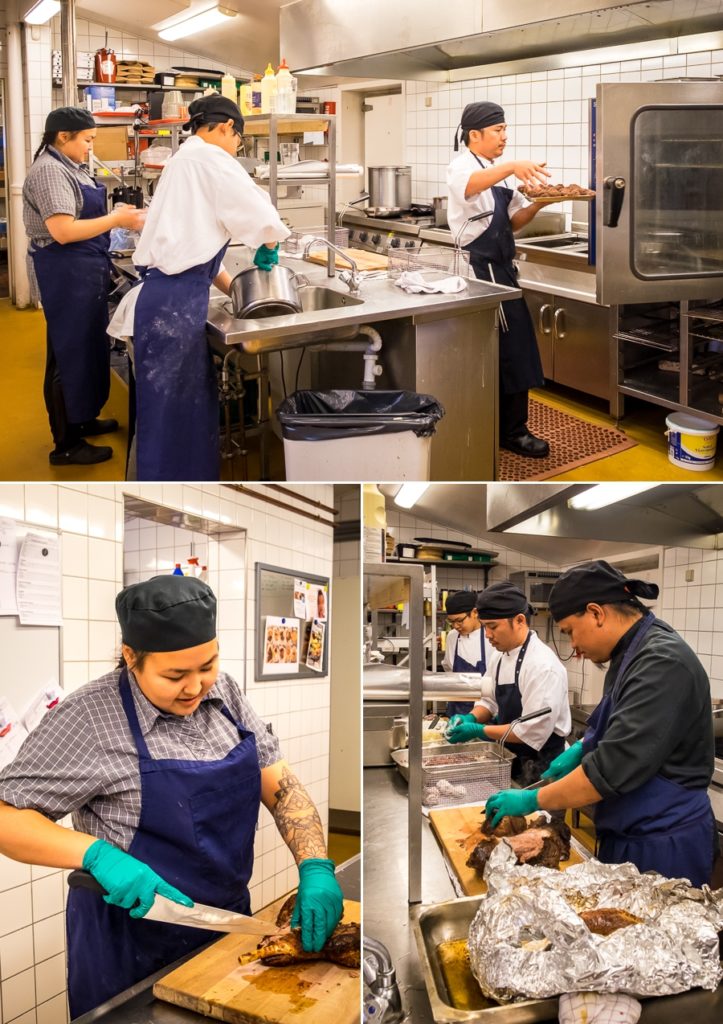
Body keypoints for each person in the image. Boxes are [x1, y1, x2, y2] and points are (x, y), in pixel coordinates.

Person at [0, 575, 343, 1016]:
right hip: (129, 946)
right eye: (175, 675)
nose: (197, 687)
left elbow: (281, 787)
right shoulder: (89, 718)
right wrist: (97, 855)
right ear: (131, 657)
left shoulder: (226, 693)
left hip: (224, 927)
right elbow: (7, 816)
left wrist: (315, 865)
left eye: (208, 665)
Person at [484, 561, 717, 888]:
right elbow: (614, 723)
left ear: (596, 613)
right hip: (629, 831)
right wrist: (581, 748)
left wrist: (531, 799)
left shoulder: (661, 662)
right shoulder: (630, 652)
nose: (573, 647)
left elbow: (606, 772)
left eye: (569, 631)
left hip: (663, 843)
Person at [108, 94, 290, 481]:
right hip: (171, 311)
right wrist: (269, 249)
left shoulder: (182, 160)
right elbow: (264, 220)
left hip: (160, 303)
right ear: (226, 127)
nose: (235, 147)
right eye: (237, 139)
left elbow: (196, 248)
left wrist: (236, 290)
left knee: (162, 418)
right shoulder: (212, 159)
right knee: (173, 423)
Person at [22, 106, 145, 466]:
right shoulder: (48, 172)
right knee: (66, 355)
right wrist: (118, 218)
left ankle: (83, 418)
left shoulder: (69, 166)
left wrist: (116, 214)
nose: (91, 147)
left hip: (83, 269)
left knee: (88, 350)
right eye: (87, 140)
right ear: (64, 136)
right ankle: (66, 444)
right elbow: (63, 231)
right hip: (65, 273)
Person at [447, 101, 561, 459]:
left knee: (514, 350)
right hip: (481, 273)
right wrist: (513, 165)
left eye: (504, 130)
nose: (504, 136)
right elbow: (468, 187)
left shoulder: (496, 170)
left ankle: (505, 425)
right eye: (498, 130)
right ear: (474, 135)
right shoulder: (463, 166)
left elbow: (513, 222)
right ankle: (513, 432)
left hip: (503, 270)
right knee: (511, 351)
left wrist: (540, 203)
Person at [447, 580, 571, 785]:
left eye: (493, 627)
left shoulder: (542, 665)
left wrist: (479, 730)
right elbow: (489, 701)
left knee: (539, 818)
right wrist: (470, 718)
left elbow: (531, 731)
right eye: (485, 627)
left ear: (520, 620)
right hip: (511, 758)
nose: (487, 635)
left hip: (543, 768)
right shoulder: (500, 656)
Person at [441, 589, 493, 717]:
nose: (455, 626)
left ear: (474, 613)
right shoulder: (452, 637)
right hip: (457, 709)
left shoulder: (491, 636)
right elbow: (449, 668)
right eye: (451, 621)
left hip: (486, 709)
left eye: (459, 620)